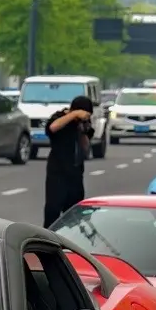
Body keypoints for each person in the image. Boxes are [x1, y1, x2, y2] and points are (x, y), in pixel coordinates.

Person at [43, 94, 94, 225]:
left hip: (76, 172)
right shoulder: (59, 117)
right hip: (58, 171)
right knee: (53, 209)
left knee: (74, 211)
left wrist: (83, 130)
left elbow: (86, 148)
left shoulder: (83, 124)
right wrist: (73, 115)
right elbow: (53, 128)